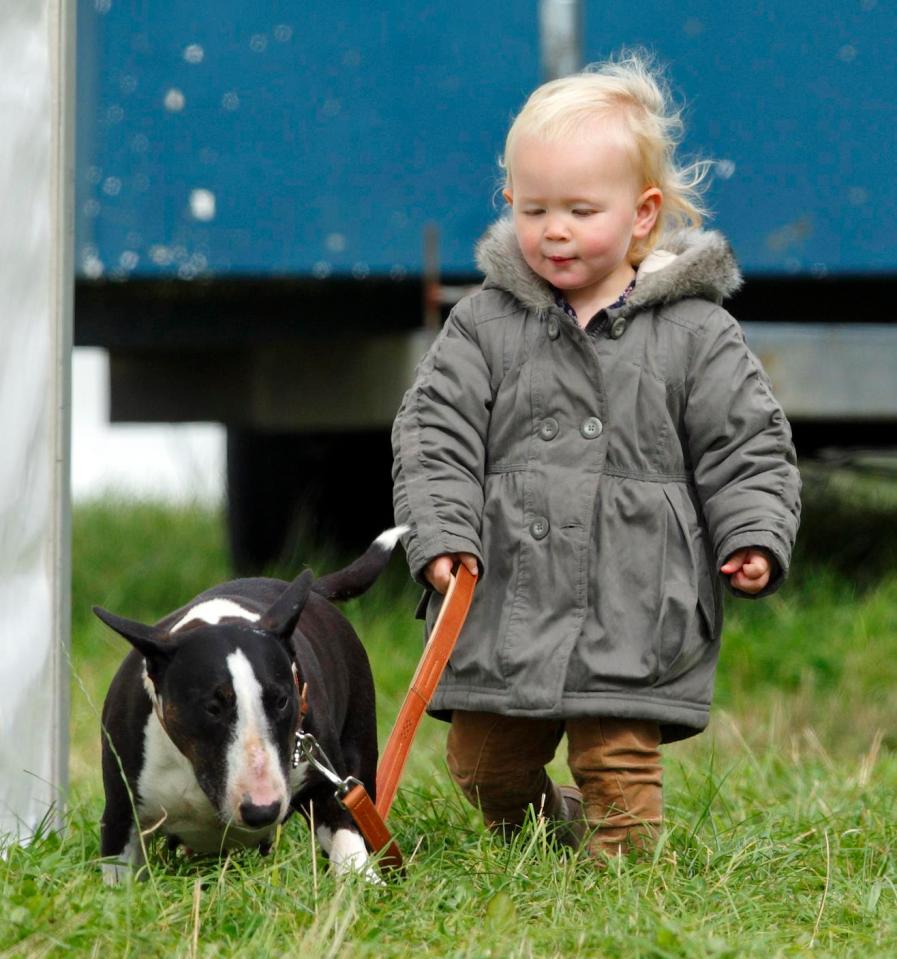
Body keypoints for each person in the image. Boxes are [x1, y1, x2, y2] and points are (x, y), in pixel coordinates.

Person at [391, 52, 800, 860]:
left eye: (581, 209)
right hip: (503, 599)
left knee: (616, 762)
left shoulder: (693, 332)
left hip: (632, 597)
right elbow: (433, 430)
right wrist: (438, 534)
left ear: (643, 214)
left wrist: (752, 533)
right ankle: (547, 839)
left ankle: (625, 888)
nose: (554, 230)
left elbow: (745, 442)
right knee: (481, 765)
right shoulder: (484, 323)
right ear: (509, 201)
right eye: (534, 207)